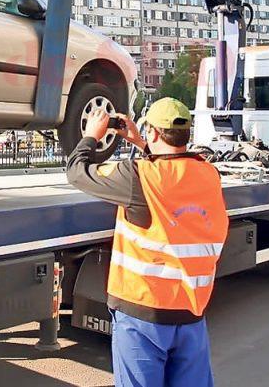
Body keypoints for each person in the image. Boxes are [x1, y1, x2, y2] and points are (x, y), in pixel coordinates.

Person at [67, 98, 229, 387]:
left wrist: (91, 134)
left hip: (143, 313)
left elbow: (77, 172)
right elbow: (172, 168)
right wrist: (141, 142)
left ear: (154, 133)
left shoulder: (137, 176)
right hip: (191, 312)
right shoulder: (208, 174)